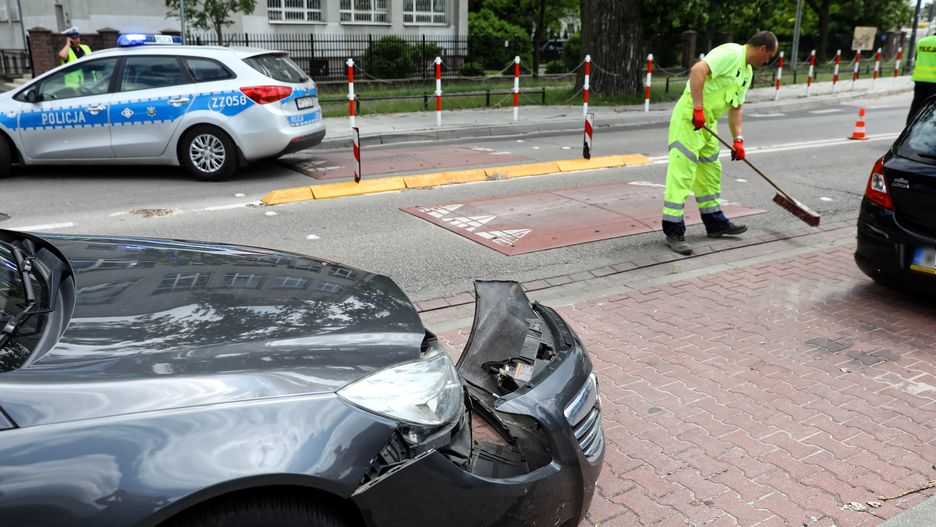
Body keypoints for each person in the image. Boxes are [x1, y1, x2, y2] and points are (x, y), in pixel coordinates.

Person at [661, 31, 778, 255]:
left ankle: (715, 223)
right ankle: (673, 232)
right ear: (762, 49)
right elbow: (697, 70)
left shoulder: (747, 72)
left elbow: (736, 108)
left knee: (711, 174)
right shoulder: (731, 53)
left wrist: (738, 140)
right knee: (682, 175)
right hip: (689, 120)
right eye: (769, 56)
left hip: (707, 124)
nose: (767, 61)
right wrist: (697, 109)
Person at [907, 32, 936, 125]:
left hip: (920, 79)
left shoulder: (921, 42)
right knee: (933, 108)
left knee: (916, 105)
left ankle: (909, 127)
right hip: (934, 81)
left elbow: (916, 58)